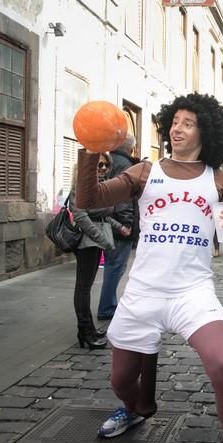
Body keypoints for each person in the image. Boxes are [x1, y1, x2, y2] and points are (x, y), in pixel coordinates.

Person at [75, 93, 223, 443]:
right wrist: (90, 150)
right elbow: (89, 200)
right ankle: (134, 408)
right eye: (175, 122)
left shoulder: (217, 179)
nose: (178, 129)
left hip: (193, 292)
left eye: (188, 123)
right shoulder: (145, 171)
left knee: (221, 363)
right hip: (144, 293)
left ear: (206, 132)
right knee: (121, 380)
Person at [69, 153, 122, 350]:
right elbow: (82, 217)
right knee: (83, 288)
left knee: (87, 287)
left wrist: (119, 227)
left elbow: (104, 216)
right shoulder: (81, 187)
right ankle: (85, 331)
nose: (102, 169)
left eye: (105, 166)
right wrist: (102, 240)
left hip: (96, 241)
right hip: (87, 243)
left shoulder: (98, 188)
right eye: (98, 165)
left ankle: (88, 329)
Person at [97, 133, 140, 321]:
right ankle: (107, 307)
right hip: (119, 224)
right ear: (130, 148)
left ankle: (109, 304)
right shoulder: (126, 166)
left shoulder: (109, 160)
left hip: (107, 221)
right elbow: (124, 198)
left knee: (111, 266)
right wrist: (126, 223)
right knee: (115, 267)